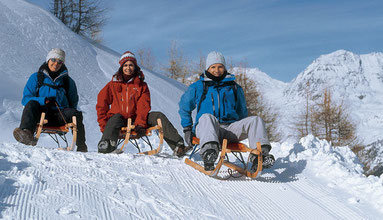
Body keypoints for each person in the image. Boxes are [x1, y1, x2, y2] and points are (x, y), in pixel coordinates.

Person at [179, 51, 275, 171]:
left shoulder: (234, 87)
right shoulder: (198, 87)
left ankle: (260, 156)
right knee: (206, 117)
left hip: (230, 129)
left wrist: (240, 126)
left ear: (224, 68)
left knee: (256, 120)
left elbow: (242, 111)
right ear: (208, 68)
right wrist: (187, 129)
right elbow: (184, 107)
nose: (217, 70)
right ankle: (209, 153)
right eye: (213, 67)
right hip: (207, 129)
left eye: (220, 66)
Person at [96, 51, 187, 156]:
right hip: (118, 120)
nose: (128, 68)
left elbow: (143, 106)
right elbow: (101, 104)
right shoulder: (113, 85)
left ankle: (178, 146)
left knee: (158, 116)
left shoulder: (141, 85)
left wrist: (140, 124)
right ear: (121, 67)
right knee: (115, 118)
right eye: (125, 65)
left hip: (137, 119)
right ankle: (106, 145)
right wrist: (104, 125)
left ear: (135, 67)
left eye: (131, 65)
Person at [13, 48, 88, 152]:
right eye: (53, 59)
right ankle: (26, 134)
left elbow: (73, 101)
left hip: (60, 115)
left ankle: (82, 146)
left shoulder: (68, 81)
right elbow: (25, 99)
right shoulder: (36, 77)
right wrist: (43, 100)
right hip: (41, 114)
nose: (56, 64)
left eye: (59, 61)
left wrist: (69, 112)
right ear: (48, 60)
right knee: (31, 103)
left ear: (62, 63)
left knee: (76, 113)